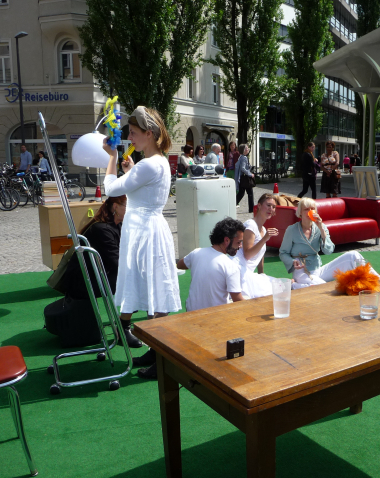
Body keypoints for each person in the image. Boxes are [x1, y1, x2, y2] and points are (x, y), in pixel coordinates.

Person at [103, 106, 181, 354]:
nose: (131, 138)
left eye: (134, 133)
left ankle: (157, 352)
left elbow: (111, 190)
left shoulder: (149, 165)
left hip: (144, 231)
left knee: (152, 285)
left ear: (149, 133)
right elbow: (142, 188)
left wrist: (112, 158)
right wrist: (131, 170)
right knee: (152, 284)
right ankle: (153, 350)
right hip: (146, 228)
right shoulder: (156, 162)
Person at [136, 218, 247, 379]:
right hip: (214, 323)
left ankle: (153, 355)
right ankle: (160, 365)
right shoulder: (230, 266)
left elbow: (181, 264)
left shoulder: (197, 253)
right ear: (226, 240)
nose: (240, 246)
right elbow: (238, 300)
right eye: (239, 242)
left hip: (190, 315)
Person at [44, 196, 127, 348]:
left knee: (137, 280)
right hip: (84, 283)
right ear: (115, 207)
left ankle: (125, 326)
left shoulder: (114, 225)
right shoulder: (102, 229)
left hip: (93, 277)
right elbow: (118, 263)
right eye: (128, 206)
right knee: (135, 283)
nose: (131, 211)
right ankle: (124, 328)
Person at [279, 198, 380, 288]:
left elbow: (328, 251)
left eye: (312, 209)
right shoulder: (291, 230)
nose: (309, 211)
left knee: (353, 255)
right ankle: (294, 285)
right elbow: (283, 252)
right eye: (306, 209)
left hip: (317, 270)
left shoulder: (321, 227)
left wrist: (321, 229)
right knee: (322, 287)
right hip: (301, 271)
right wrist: (293, 262)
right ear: (300, 212)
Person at [236, 193, 280, 298]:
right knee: (274, 290)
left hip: (249, 273)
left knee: (280, 286)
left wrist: (261, 274)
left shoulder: (263, 229)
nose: (271, 209)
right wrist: (265, 239)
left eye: (273, 207)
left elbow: (260, 254)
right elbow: (247, 254)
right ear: (259, 206)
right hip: (240, 272)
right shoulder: (250, 225)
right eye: (268, 205)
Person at [235, 143, 254, 212]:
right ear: (243, 150)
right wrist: (250, 174)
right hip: (245, 179)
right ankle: (251, 209)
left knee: (241, 193)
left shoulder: (241, 157)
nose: (248, 149)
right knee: (250, 193)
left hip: (241, 178)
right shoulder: (244, 158)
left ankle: (232, 204)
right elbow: (243, 168)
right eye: (246, 148)